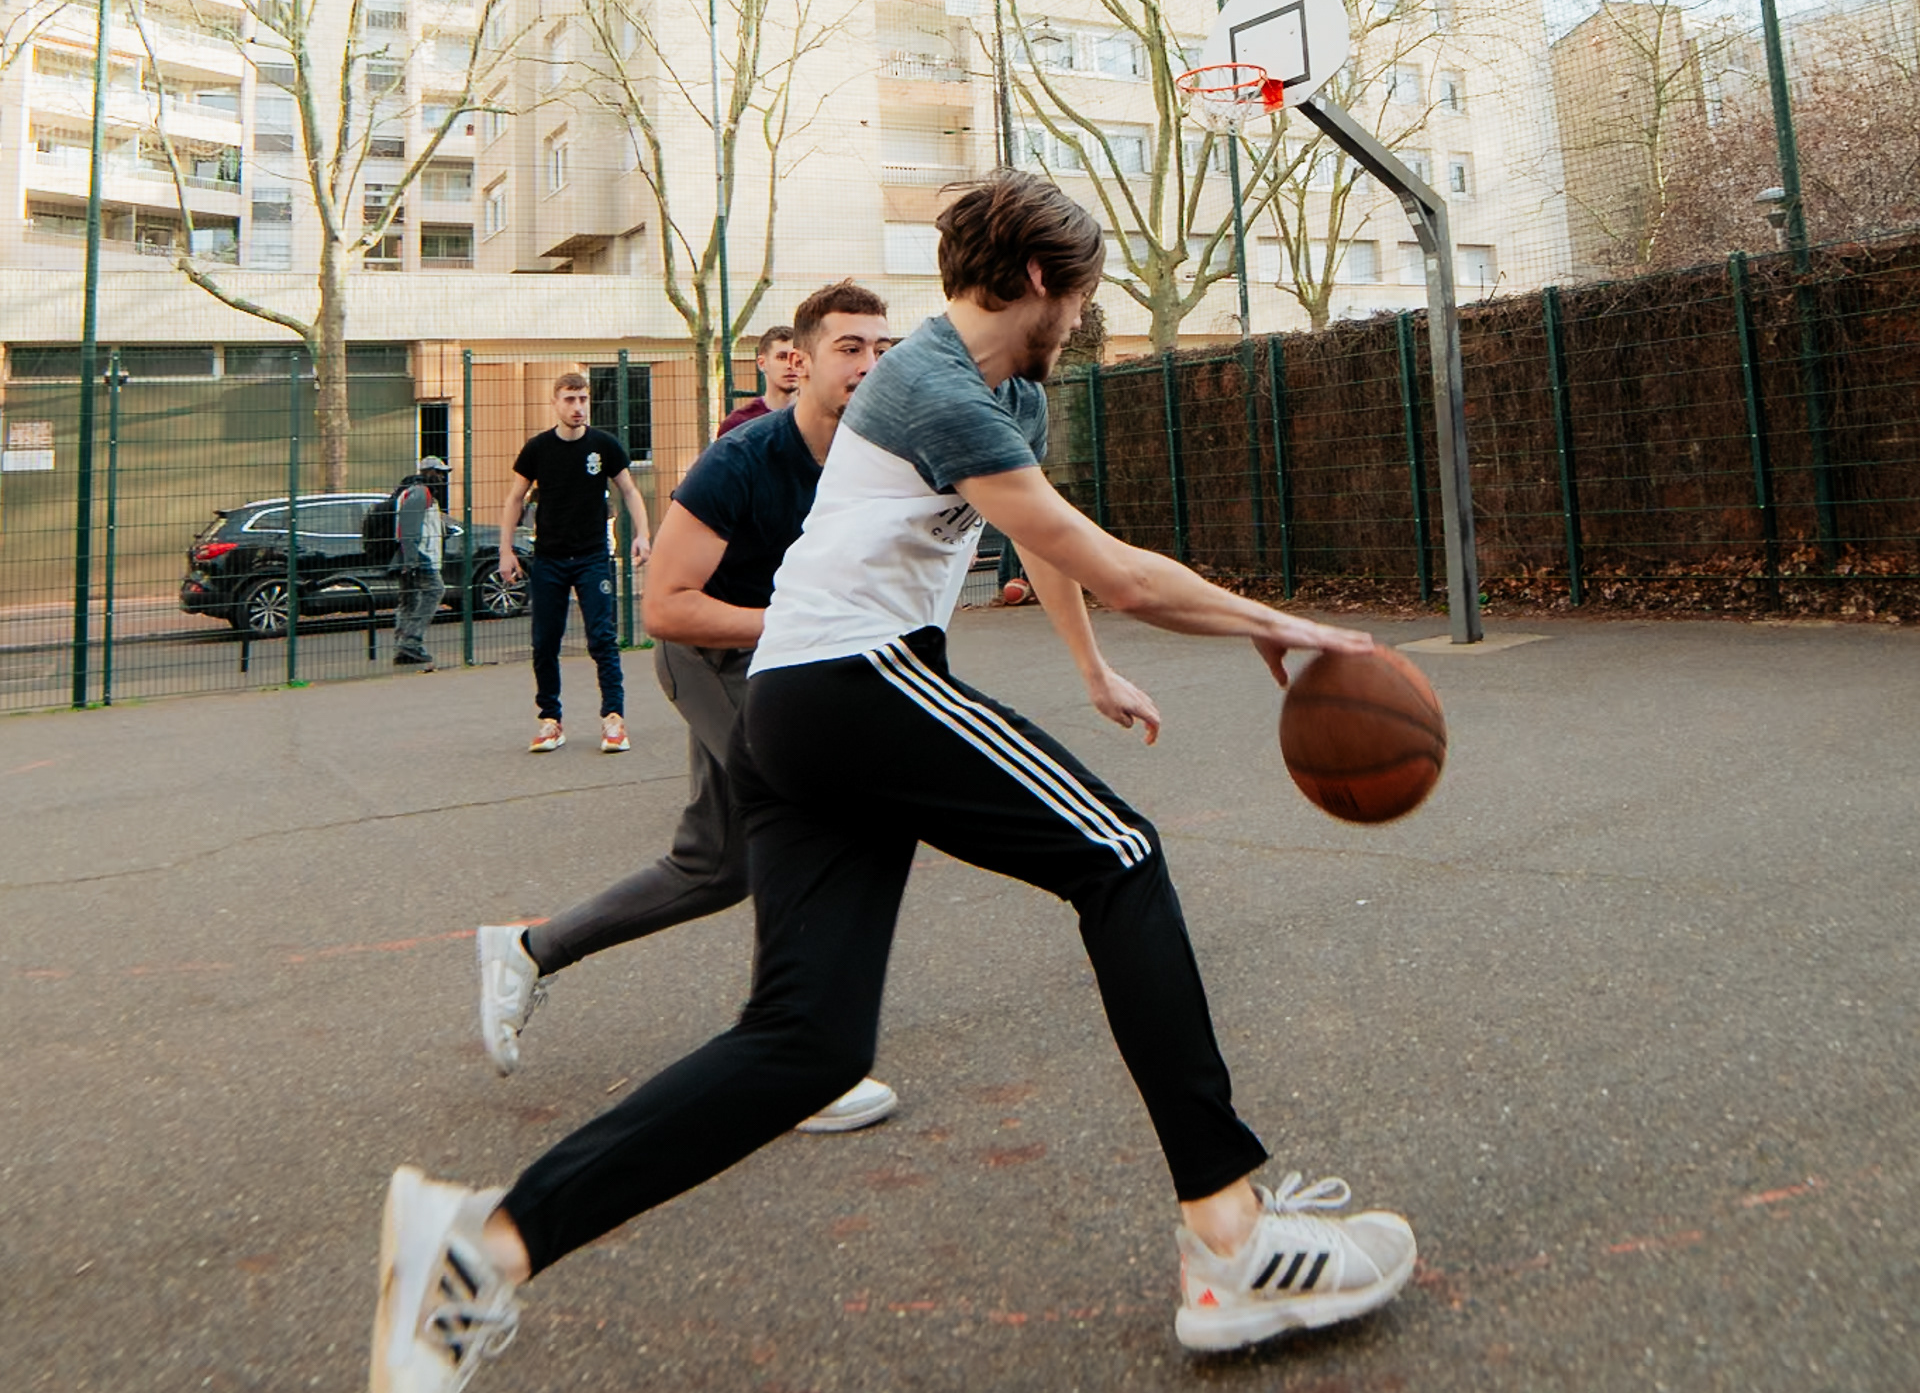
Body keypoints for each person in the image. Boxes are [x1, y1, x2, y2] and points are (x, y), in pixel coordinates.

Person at [370, 173, 1415, 1393]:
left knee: (807, 1043)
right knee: (1121, 860)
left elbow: (1044, 537)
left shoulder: (1005, 392)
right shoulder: (932, 385)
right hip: (856, 679)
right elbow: (1117, 564)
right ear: (1041, 279)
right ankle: (1231, 1240)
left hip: (800, 708)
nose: (1085, 317)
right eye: (1082, 294)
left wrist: (1090, 666)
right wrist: (1280, 624)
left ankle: (485, 1247)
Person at [475, 279, 899, 1136]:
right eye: (849, 348)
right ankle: (795, 1057)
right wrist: (802, 626)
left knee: (715, 868)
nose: (868, 365)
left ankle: (527, 950)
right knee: (804, 816)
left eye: (882, 350)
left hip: (784, 663)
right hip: (709, 657)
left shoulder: (874, 456)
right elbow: (666, 609)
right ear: (799, 360)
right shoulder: (742, 458)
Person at [498, 373, 653, 754]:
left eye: (583, 399)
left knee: (602, 638)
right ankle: (550, 721)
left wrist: (643, 534)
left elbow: (629, 490)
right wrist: (506, 550)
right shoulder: (537, 449)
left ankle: (613, 719)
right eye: (570, 399)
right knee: (544, 642)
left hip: (592, 557)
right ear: (555, 403)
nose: (578, 407)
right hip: (549, 559)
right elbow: (515, 499)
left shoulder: (604, 446)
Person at [391, 456, 449, 668]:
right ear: (428, 472)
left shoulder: (419, 493)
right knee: (435, 591)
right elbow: (409, 528)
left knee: (410, 600)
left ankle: (403, 646)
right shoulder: (420, 493)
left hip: (411, 556)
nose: (442, 477)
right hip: (420, 557)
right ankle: (411, 641)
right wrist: (412, 560)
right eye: (439, 472)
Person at [715, 325, 797, 435]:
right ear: (762, 363)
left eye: (796, 358)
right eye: (782, 357)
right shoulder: (738, 425)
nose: (790, 365)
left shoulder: (818, 420)